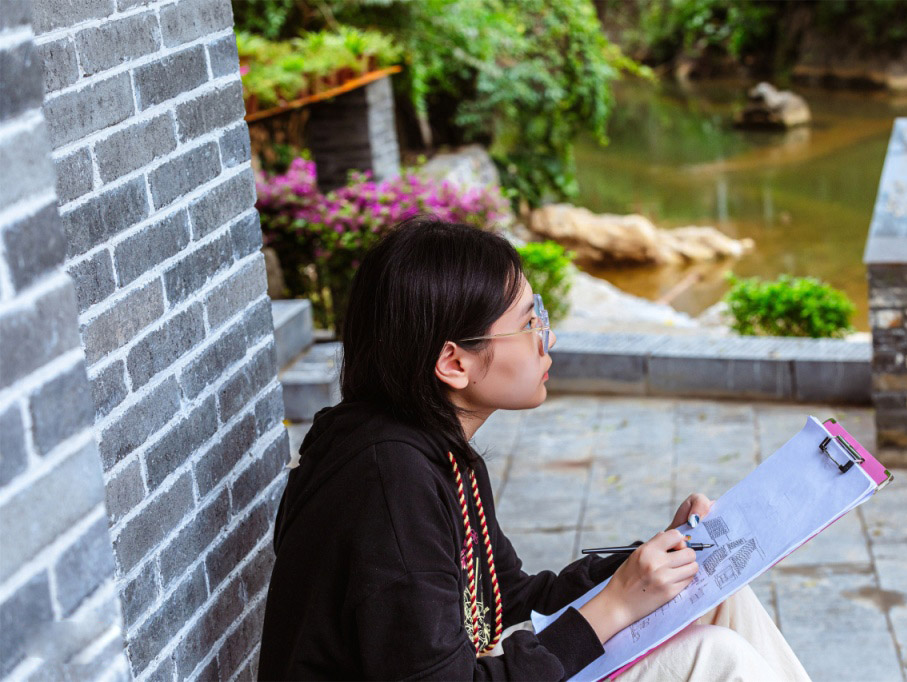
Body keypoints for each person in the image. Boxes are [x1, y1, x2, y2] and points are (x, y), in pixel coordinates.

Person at [257, 217, 811, 681]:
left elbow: (507, 597)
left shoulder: (436, 450)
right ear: (454, 363)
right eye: (528, 323)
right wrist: (616, 605)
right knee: (716, 657)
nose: (547, 338)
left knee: (712, 589)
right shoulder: (390, 484)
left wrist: (650, 560)